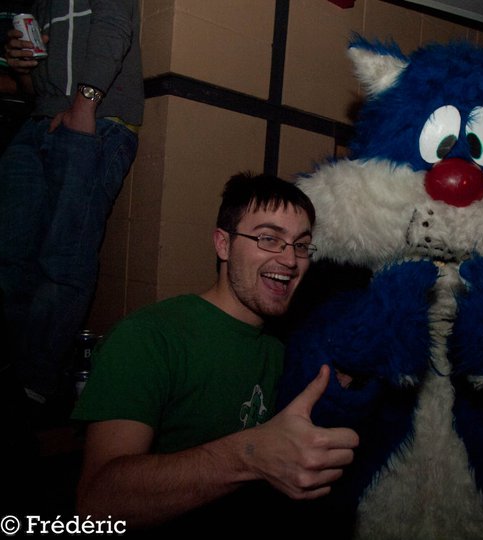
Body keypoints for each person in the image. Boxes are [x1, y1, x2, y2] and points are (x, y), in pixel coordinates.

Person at [70, 173, 360, 535]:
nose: (290, 259)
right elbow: (97, 504)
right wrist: (249, 455)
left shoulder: (283, 349)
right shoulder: (149, 337)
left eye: (301, 245)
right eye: (269, 238)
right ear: (223, 244)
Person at [0, 1, 144, 415]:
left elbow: (115, 25)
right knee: (11, 258)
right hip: (38, 123)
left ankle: (35, 387)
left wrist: (85, 104)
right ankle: (17, 376)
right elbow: (33, 88)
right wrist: (22, 67)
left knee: (64, 260)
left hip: (97, 120)